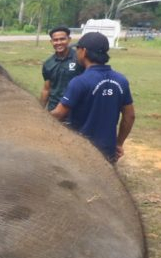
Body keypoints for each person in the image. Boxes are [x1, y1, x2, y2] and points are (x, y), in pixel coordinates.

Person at [50, 32, 135, 162]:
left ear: (83, 51)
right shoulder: (121, 80)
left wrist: (37, 116)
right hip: (108, 150)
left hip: (81, 151)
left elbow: (59, 114)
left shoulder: (79, 81)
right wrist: (119, 143)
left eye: (77, 49)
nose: (76, 53)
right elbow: (130, 116)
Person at [40, 25, 84, 111]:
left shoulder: (80, 58)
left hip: (74, 109)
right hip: (53, 109)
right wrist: (40, 111)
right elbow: (46, 89)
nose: (59, 42)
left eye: (62, 39)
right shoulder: (48, 63)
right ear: (51, 41)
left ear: (69, 39)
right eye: (55, 40)